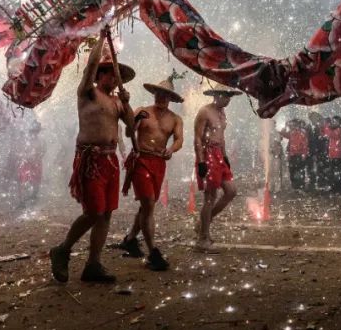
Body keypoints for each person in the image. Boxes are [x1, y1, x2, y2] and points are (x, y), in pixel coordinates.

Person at [50, 33, 135, 283]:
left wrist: (128, 104)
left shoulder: (118, 102)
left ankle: (93, 265)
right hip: (91, 160)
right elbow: (89, 67)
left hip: (110, 162)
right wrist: (102, 38)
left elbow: (130, 129)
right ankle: (62, 250)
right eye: (107, 73)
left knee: (106, 213)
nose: (111, 77)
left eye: (114, 74)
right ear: (99, 75)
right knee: (94, 212)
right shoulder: (88, 92)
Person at [114, 74, 184, 271]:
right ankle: (153, 252)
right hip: (141, 160)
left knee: (148, 205)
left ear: (170, 98)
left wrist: (170, 150)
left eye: (165, 95)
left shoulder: (175, 119)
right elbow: (129, 134)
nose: (160, 97)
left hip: (159, 163)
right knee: (147, 203)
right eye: (158, 93)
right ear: (154, 94)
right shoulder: (142, 111)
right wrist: (134, 120)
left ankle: (129, 239)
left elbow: (179, 140)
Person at [193, 83, 241, 252]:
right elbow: (198, 138)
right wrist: (200, 162)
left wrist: (225, 156)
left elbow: (221, 137)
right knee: (210, 197)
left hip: (219, 155)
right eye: (225, 96)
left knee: (231, 191)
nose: (228, 100)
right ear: (216, 95)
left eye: (229, 97)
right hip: (207, 154)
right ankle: (202, 239)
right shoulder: (205, 111)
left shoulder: (222, 112)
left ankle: (202, 223)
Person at [17, 118, 45, 208]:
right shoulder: (25, 139)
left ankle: (34, 195)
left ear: (38, 131)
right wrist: (25, 157)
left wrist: (38, 157)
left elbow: (44, 151)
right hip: (26, 163)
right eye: (33, 131)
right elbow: (19, 150)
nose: (34, 133)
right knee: (23, 180)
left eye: (36, 131)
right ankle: (22, 201)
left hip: (36, 163)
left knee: (36, 182)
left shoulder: (41, 141)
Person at [281, 119, 312, 191]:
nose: (292, 126)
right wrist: (285, 126)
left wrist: (304, 154)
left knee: (300, 171)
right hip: (292, 155)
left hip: (299, 155)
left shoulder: (302, 133)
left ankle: (300, 186)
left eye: (294, 125)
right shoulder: (292, 132)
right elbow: (283, 133)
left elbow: (305, 144)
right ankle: (295, 186)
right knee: (292, 171)